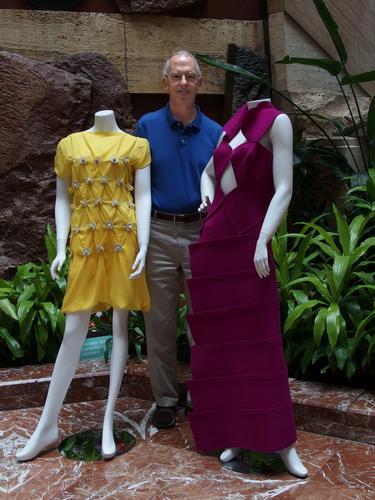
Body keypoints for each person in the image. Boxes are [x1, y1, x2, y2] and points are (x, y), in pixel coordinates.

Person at [16, 110, 151, 461]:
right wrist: (60, 248)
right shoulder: (69, 145)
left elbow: (143, 197)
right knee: (74, 329)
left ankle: (108, 421)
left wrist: (146, 245)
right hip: (84, 245)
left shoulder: (137, 146)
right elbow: (62, 198)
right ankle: (47, 425)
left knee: (121, 326)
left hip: (123, 241)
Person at [186, 99, 308, 478]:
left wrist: (263, 239)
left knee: (261, 343)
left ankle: (282, 441)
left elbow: (284, 188)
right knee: (225, 346)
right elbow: (208, 172)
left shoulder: (277, 123)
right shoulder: (232, 125)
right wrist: (206, 194)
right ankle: (234, 432)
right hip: (215, 242)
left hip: (251, 244)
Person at [136, 51, 222, 429]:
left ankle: (204, 394)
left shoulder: (216, 133)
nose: (183, 83)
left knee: (202, 322)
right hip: (157, 230)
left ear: (200, 82)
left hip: (200, 232)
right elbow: (136, 186)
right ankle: (166, 400)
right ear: (165, 82)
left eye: (190, 77)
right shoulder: (147, 126)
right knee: (159, 321)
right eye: (176, 76)